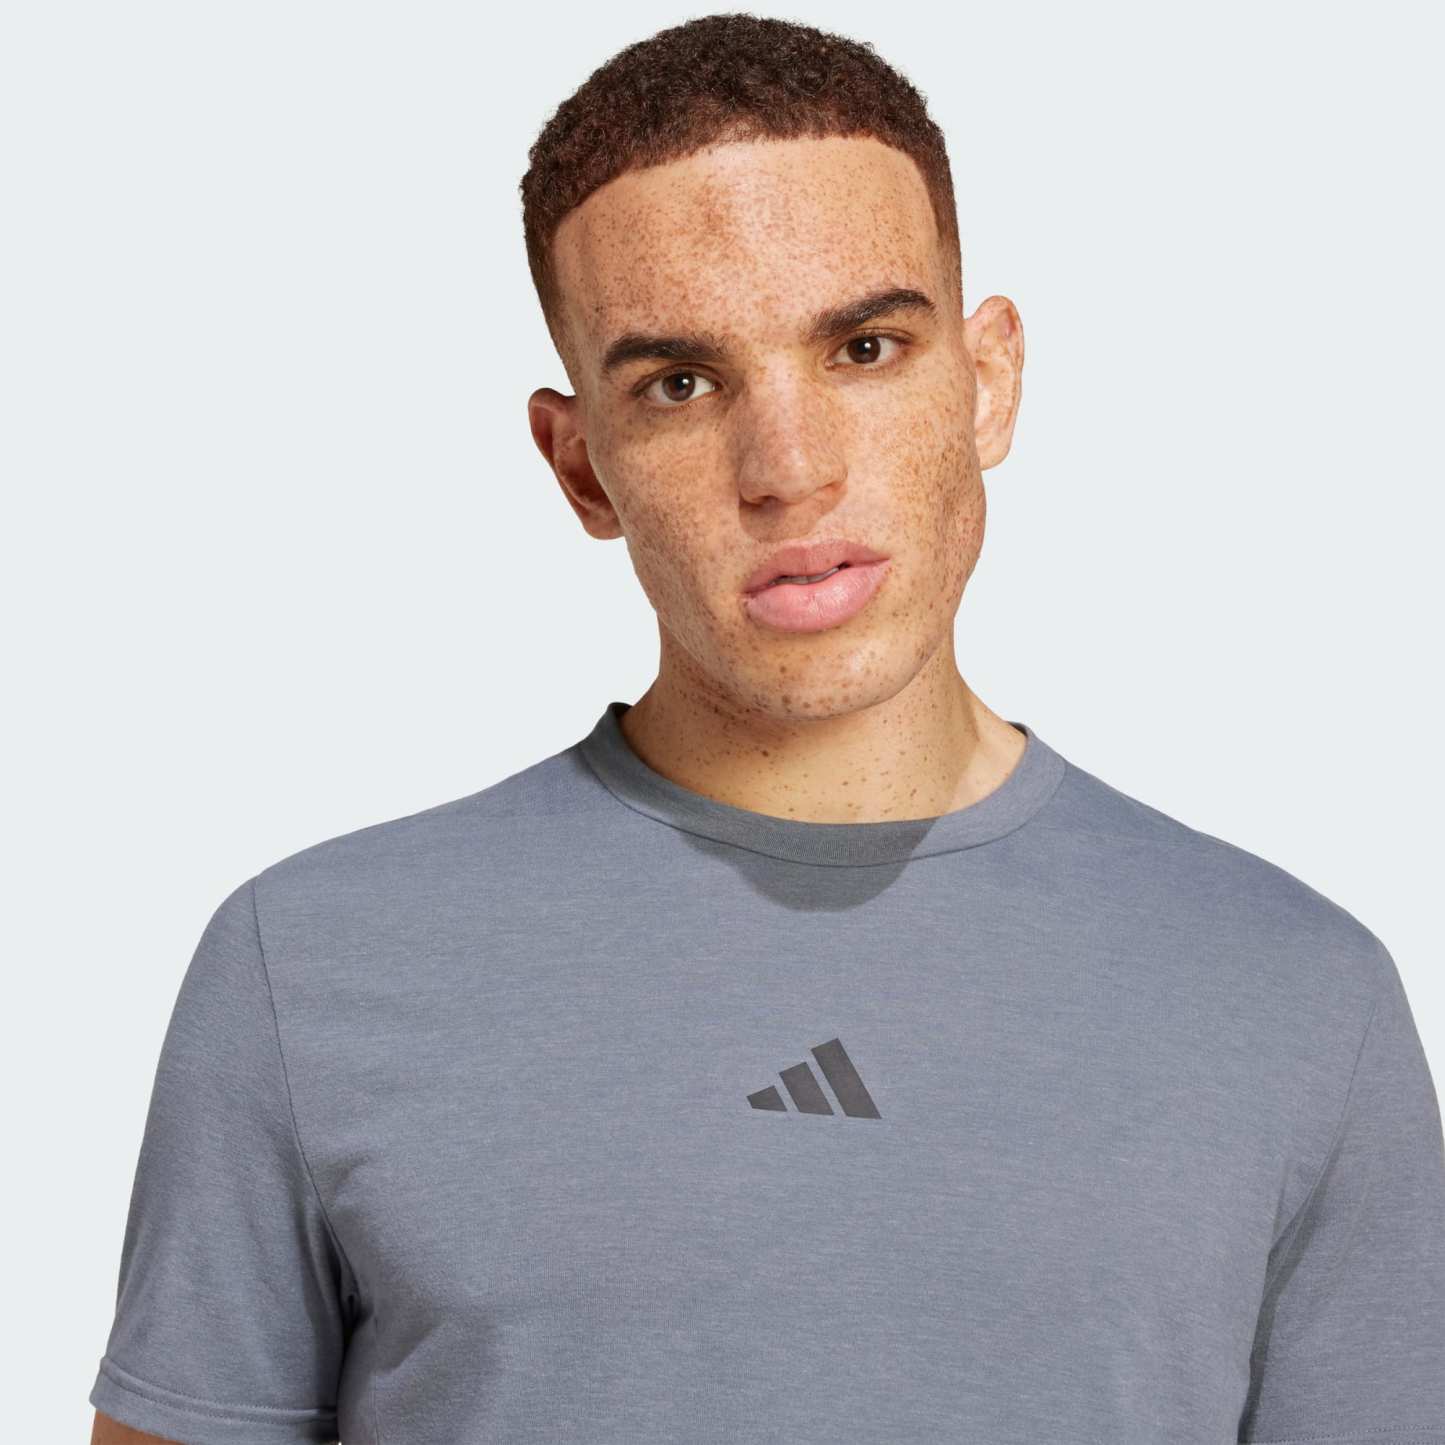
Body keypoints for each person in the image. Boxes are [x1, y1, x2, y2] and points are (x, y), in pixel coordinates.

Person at [89, 13, 1444, 1445]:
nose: (787, 471)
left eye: (863, 347)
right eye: (680, 384)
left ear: (987, 380)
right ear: (579, 466)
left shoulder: (1298, 1000)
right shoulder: (311, 965)